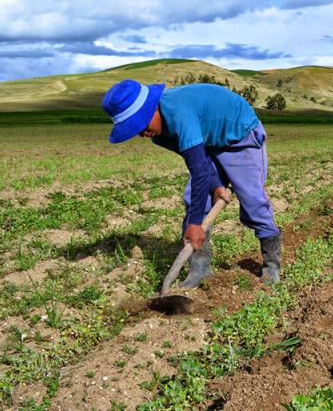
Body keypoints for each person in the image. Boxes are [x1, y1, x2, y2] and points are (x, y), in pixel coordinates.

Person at [101, 79, 282, 285]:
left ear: (153, 108)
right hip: (208, 142)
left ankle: (271, 266)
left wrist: (195, 225)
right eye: (135, 130)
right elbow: (200, 163)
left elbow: (198, 171)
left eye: (142, 124)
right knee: (195, 201)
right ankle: (200, 270)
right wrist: (216, 186)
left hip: (240, 136)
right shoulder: (159, 135)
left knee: (252, 202)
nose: (142, 133)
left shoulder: (179, 114)